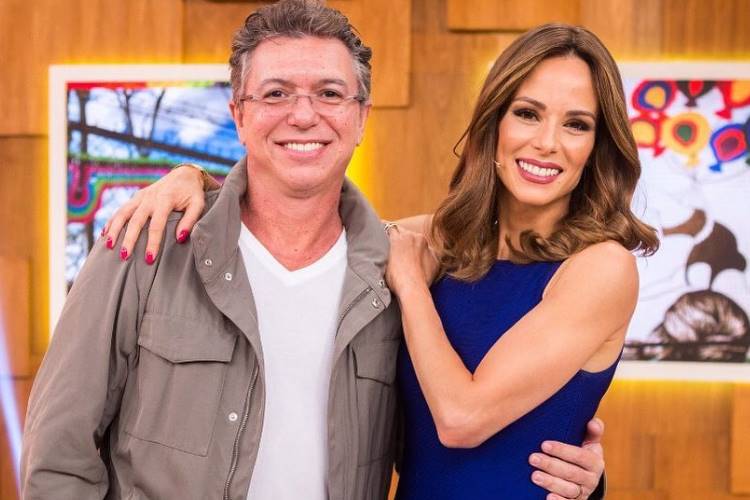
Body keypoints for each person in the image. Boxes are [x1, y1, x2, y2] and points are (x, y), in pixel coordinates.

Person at [53, 4, 613, 500]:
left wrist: (581, 474)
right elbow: (60, 454)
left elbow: (441, 434)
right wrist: (191, 176)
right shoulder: (144, 243)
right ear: (238, 114)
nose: (304, 115)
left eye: (329, 93)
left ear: (362, 116)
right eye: (276, 93)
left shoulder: (393, 265)